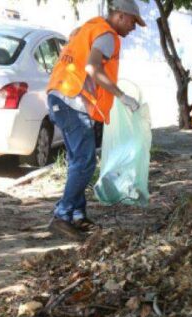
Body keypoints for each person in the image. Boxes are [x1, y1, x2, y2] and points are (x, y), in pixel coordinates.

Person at [45, 0, 145, 240]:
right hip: (72, 99)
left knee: (78, 160)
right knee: (85, 161)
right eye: (132, 21)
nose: (133, 28)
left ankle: (78, 215)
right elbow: (92, 67)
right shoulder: (107, 35)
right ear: (120, 15)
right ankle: (62, 215)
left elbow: (74, 41)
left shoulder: (90, 27)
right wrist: (122, 96)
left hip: (60, 95)